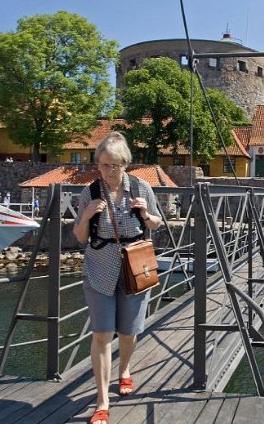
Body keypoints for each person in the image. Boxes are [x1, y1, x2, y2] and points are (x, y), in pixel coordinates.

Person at [72, 132, 162, 424]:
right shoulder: (90, 193)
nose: (110, 171)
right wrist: (85, 216)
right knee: (101, 334)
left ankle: (124, 370)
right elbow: (80, 237)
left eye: (116, 165)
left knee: (128, 331)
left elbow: (156, 223)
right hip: (99, 268)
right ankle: (102, 400)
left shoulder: (141, 187)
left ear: (126, 164)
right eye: (105, 164)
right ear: (98, 163)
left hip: (134, 268)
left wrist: (145, 214)